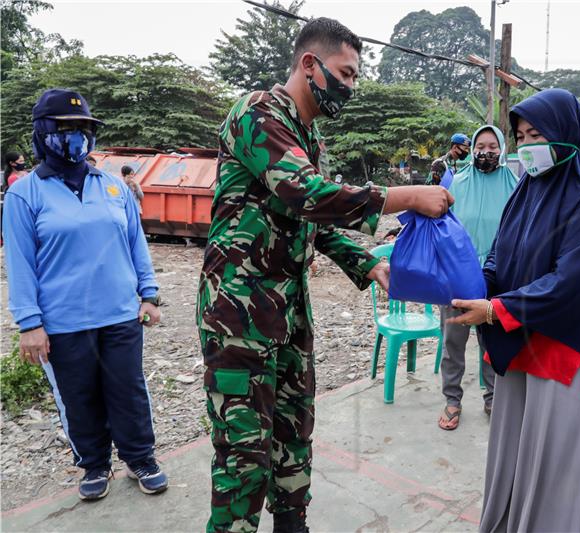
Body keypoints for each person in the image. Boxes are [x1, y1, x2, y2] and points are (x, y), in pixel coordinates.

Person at [195, 18, 453, 533]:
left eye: (356, 77)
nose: (351, 86)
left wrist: (371, 263)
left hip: (287, 311)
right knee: (244, 453)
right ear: (309, 64)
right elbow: (307, 194)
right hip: (238, 315)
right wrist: (404, 197)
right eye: (346, 73)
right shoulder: (257, 112)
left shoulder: (307, 133)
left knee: (294, 430)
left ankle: (293, 524)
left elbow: (312, 221)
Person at [447, 89, 580, 533]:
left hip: (568, 355)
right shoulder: (526, 190)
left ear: (567, 135)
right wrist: (472, 285)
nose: (527, 147)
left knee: (554, 474)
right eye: (521, 136)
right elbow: (499, 257)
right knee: (512, 462)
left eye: (537, 135)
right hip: (520, 346)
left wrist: (493, 310)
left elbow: (571, 283)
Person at [2, 89, 167, 501]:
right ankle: (94, 465)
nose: (76, 137)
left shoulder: (113, 187)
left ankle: (140, 458)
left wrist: (149, 295)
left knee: (127, 389)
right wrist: (30, 324)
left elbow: (136, 245)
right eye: (66, 129)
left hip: (119, 315)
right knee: (78, 397)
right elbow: (20, 263)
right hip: (62, 321)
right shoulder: (25, 195)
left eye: (83, 129)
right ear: (43, 133)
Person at [437, 125, 518, 431]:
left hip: (499, 278)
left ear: (503, 149)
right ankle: (452, 399)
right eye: (480, 145)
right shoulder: (457, 181)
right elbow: (443, 224)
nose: (486, 151)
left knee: (492, 341)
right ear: (472, 150)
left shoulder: (515, 184)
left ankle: (493, 397)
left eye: (493, 146)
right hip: (458, 275)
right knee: (453, 342)